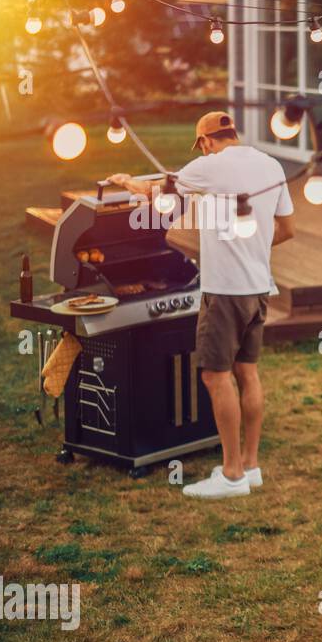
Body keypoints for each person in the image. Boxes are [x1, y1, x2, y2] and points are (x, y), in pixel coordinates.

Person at [108, 112, 294, 499]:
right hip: (259, 288)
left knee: (214, 375)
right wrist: (253, 247)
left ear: (206, 141)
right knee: (249, 373)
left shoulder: (208, 166)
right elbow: (288, 229)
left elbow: (160, 192)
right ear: (233, 134)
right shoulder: (271, 165)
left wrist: (126, 181)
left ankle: (231, 476)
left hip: (224, 292)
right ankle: (251, 465)